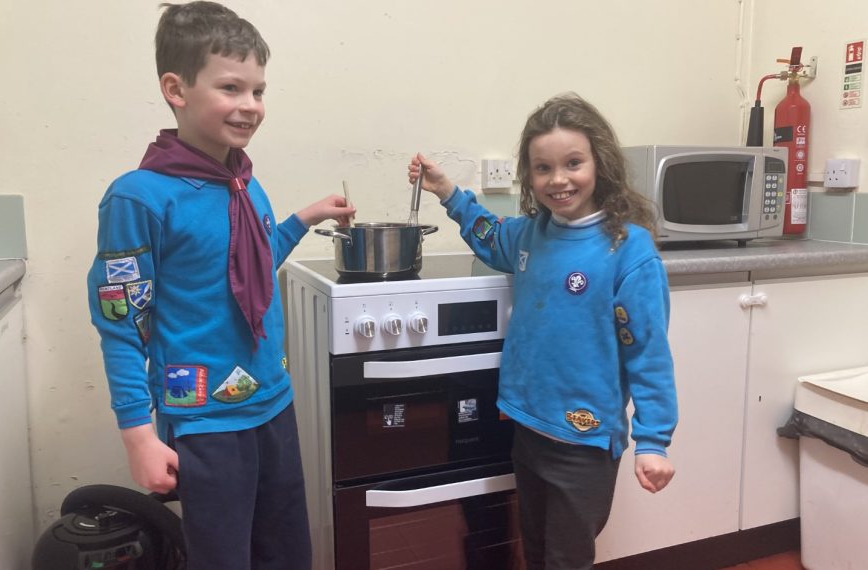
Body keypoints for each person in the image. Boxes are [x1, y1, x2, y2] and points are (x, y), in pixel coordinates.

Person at [86, 3, 354, 569]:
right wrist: (138, 434)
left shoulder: (243, 181)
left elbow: (243, 268)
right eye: (232, 87)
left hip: (272, 404)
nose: (251, 106)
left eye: (259, 90)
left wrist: (302, 219)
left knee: (286, 553)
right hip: (206, 419)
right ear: (176, 89)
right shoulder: (138, 197)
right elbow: (121, 322)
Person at [407, 92, 677, 570]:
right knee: (534, 548)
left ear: (601, 164)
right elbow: (488, 234)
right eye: (542, 168)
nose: (558, 180)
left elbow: (648, 354)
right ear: (529, 177)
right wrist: (448, 191)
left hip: (584, 442)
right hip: (528, 428)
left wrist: (653, 440)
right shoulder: (530, 234)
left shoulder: (629, 250)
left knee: (565, 559)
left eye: (573, 163)